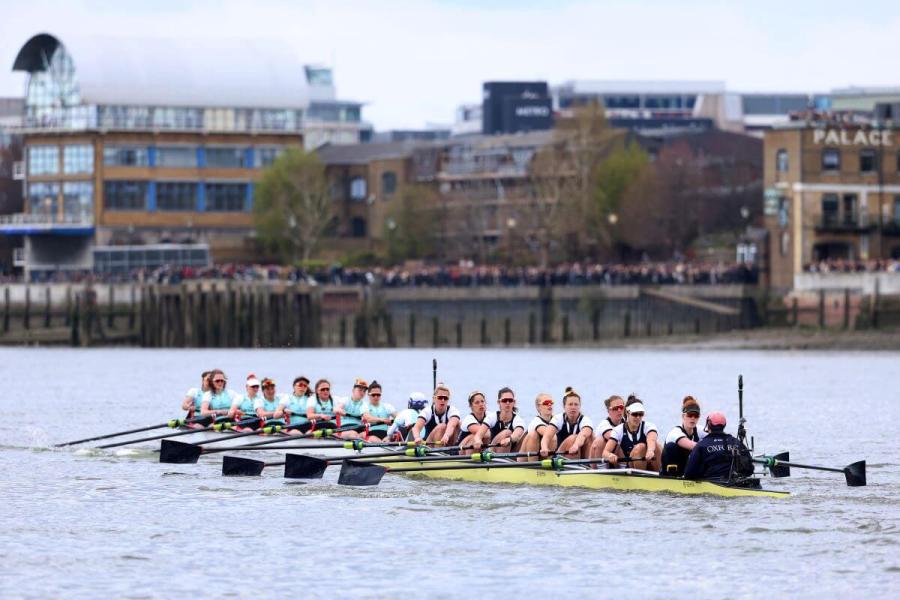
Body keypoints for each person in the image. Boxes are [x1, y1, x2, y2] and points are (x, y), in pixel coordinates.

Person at [683, 412, 754, 482]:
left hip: (712, 483)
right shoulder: (737, 442)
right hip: (739, 483)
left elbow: (689, 474)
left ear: (708, 424)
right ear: (724, 425)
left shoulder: (701, 445)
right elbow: (750, 470)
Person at [601, 396, 661, 471]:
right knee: (640, 448)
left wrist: (650, 450)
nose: (638, 417)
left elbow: (651, 439)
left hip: (651, 464)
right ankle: (641, 477)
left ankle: (660, 475)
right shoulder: (618, 430)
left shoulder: (649, 426)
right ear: (627, 413)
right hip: (632, 466)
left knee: (656, 445)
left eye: (641, 414)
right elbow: (605, 452)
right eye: (635, 414)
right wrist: (610, 455)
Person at [660, 396, 704, 476]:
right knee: (671, 446)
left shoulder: (700, 430)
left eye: (696, 415)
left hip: (687, 469)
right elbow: (693, 446)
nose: (693, 418)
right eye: (690, 415)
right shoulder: (675, 433)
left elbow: (715, 436)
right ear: (683, 416)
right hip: (670, 472)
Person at [476, 387, 526, 452]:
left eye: (510, 400)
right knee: (507, 432)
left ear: (514, 402)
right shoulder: (492, 417)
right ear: (499, 402)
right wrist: (478, 440)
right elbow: (478, 435)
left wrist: (509, 439)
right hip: (493, 450)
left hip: (511, 453)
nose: (507, 403)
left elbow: (518, 433)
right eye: (504, 400)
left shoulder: (518, 420)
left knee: (526, 434)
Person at [549, 387, 594, 459]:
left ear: (580, 406)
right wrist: (544, 447)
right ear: (564, 406)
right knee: (572, 438)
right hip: (560, 455)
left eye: (576, 404)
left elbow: (584, 435)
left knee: (591, 436)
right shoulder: (558, 418)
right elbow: (547, 436)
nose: (573, 407)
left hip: (577, 452)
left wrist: (576, 445)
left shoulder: (585, 420)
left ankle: (589, 466)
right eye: (570, 404)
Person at [518, 393, 557, 461]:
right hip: (524, 459)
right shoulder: (535, 422)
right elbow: (549, 434)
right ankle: (533, 465)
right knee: (536, 434)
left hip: (543, 455)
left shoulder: (557, 420)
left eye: (551, 402)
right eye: (546, 403)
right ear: (538, 407)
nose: (549, 405)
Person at [588, 395, 626, 462]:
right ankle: (601, 469)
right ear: (609, 411)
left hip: (615, 458)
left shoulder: (627, 423)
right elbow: (614, 437)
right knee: (600, 440)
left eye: (621, 407)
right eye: (615, 408)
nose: (619, 410)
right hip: (599, 457)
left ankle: (623, 467)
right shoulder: (604, 424)